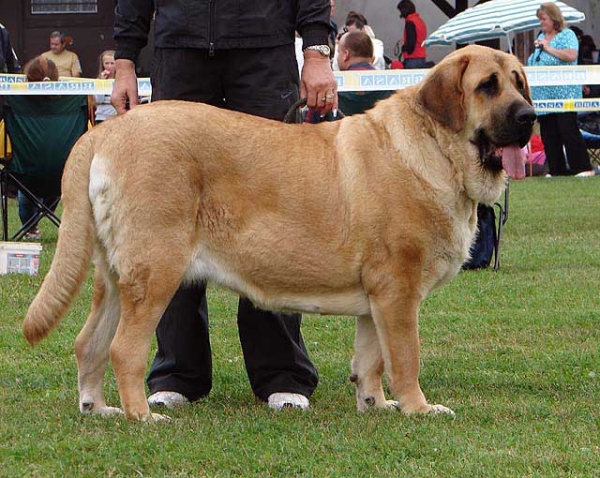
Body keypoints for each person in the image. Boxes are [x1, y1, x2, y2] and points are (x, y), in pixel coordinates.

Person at [112, 0, 337, 411]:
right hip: (179, 50)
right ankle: (177, 371)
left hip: (263, 50)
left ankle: (281, 372)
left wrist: (317, 49)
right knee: (171, 215)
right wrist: (125, 60)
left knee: (274, 212)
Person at [526, 3, 595, 177]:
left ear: (554, 18)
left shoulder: (567, 35)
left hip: (564, 95)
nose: (541, 22)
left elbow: (571, 55)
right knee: (549, 134)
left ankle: (582, 167)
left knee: (568, 130)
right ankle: (557, 170)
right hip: (543, 97)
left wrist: (548, 48)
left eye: (544, 19)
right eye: (540, 19)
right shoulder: (541, 36)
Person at [17, 56, 61, 240]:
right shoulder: (74, 101)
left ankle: (30, 228)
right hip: (62, 171)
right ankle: (43, 213)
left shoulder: (15, 102)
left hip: (25, 171)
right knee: (53, 184)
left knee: (26, 187)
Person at [336, 30, 392, 116]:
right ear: (372, 58)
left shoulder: (332, 89)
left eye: (339, 52)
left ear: (345, 55)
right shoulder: (391, 87)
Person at [396, 0, 428, 69]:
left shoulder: (410, 22)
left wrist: (404, 48)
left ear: (404, 10)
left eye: (401, 11)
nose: (400, 14)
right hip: (421, 57)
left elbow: (411, 42)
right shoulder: (420, 21)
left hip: (412, 59)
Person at [93, 50, 117, 124]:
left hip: (118, 115)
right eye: (106, 63)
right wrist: (102, 83)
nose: (109, 66)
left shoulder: (122, 80)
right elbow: (99, 100)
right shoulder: (98, 81)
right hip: (102, 116)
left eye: (112, 63)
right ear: (102, 64)